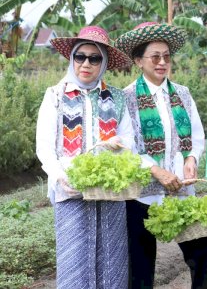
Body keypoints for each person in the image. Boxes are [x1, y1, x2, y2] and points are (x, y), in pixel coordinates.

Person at [115, 22, 207, 289]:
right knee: (139, 266)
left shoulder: (182, 93)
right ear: (139, 60)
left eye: (166, 56)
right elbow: (126, 146)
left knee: (205, 251)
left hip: (182, 190)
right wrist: (156, 171)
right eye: (155, 57)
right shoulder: (126, 98)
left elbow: (196, 135)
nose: (162, 62)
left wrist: (191, 158)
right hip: (142, 193)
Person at [36, 25, 135, 288]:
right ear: (72, 58)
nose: (86, 63)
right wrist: (60, 176)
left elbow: (129, 140)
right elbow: (44, 146)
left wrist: (119, 145)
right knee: (73, 261)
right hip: (70, 190)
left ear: (103, 63)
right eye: (80, 56)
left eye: (95, 58)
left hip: (110, 191)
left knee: (112, 261)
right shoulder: (56, 96)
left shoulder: (117, 97)